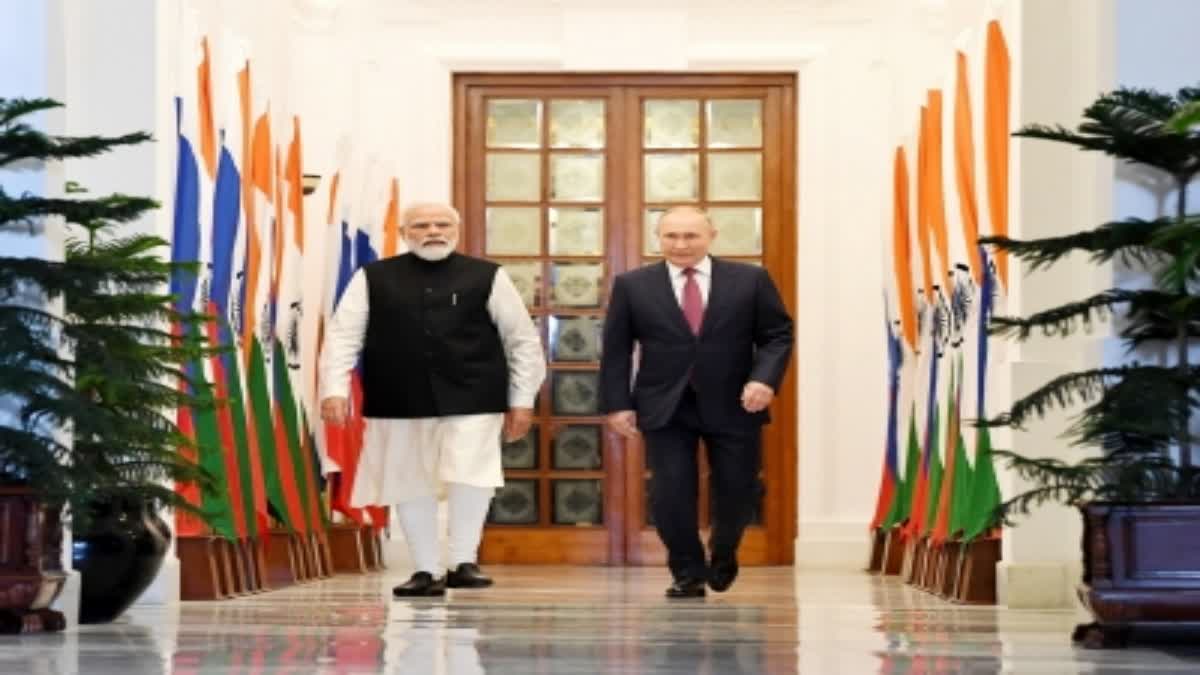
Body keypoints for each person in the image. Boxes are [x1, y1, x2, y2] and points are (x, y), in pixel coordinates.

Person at [319, 202, 546, 597]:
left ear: (456, 230)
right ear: (406, 232)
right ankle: (425, 569)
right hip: (398, 396)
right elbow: (343, 335)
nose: (433, 231)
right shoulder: (372, 276)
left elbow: (521, 339)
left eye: (442, 224)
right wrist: (334, 389)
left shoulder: (488, 276)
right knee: (409, 481)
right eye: (421, 225)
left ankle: (463, 561)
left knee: (471, 477)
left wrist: (522, 398)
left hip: (474, 393)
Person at [599, 206, 793, 598]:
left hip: (736, 402)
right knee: (671, 490)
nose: (681, 244)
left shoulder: (749, 280)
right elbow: (617, 348)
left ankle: (723, 551)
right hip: (665, 404)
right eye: (671, 236)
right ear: (659, 238)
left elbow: (777, 334)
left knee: (738, 488)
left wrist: (764, 380)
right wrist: (618, 404)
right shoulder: (633, 285)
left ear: (711, 235)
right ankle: (687, 571)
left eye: (691, 236)